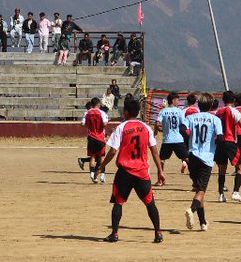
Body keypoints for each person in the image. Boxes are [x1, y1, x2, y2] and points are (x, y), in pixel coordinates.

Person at [99, 95, 166, 243]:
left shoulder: (121, 128)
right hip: (142, 172)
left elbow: (112, 151)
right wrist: (160, 171)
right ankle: (158, 232)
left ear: (126, 112)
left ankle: (115, 233)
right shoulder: (146, 128)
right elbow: (154, 151)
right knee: (150, 203)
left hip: (125, 172)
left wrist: (102, 166)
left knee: (118, 202)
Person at [181, 93, 222, 232]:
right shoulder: (215, 119)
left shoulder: (190, 117)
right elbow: (220, 138)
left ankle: (203, 222)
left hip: (192, 156)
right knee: (201, 191)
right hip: (206, 158)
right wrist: (214, 147)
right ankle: (191, 210)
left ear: (198, 105)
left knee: (199, 190)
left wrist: (189, 139)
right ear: (211, 105)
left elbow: (182, 129)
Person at [78, 97, 109, 182]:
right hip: (100, 137)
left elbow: (82, 124)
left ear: (91, 104)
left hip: (91, 137)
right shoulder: (102, 113)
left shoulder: (87, 113)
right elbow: (105, 124)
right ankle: (102, 175)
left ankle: (92, 174)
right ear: (98, 104)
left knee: (92, 156)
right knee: (102, 156)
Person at [155, 92, 188, 170]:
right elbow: (184, 124)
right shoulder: (179, 111)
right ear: (173, 100)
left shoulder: (163, 111)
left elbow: (157, 123)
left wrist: (158, 130)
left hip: (167, 140)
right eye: (177, 100)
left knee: (162, 159)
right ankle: (194, 177)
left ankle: (160, 179)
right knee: (186, 158)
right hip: (178, 139)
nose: (178, 102)